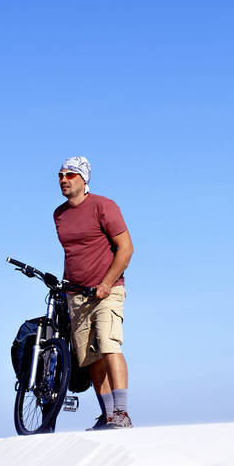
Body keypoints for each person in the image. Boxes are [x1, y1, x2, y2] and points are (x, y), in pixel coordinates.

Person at [53, 156, 134, 429]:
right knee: (90, 359)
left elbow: (126, 249)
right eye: (61, 175)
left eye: (70, 175)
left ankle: (122, 413)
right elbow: (74, 253)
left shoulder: (103, 206)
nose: (64, 179)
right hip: (76, 294)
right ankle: (108, 414)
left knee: (109, 346)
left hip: (107, 291)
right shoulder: (59, 214)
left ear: (84, 180)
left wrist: (107, 283)